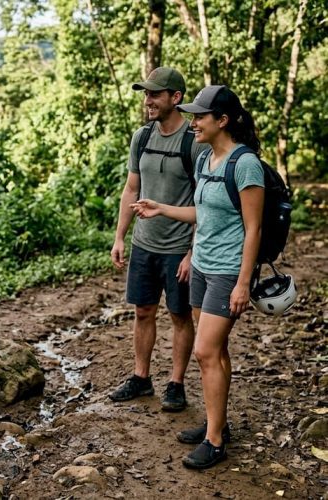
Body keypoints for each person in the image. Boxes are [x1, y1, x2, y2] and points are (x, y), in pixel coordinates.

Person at [131, 85, 264, 469]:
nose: (193, 123)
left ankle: (216, 440)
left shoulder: (246, 164)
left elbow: (253, 230)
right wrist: (161, 209)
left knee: (205, 352)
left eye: (200, 117)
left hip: (227, 272)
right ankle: (215, 422)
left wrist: (242, 283)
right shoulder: (206, 158)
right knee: (216, 352)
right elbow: (202, 215)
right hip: (203, 266)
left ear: (222, 121)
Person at [109, 68, 209, 411]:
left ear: (175, 98)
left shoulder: (193, 142)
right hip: (144, 244)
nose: (147, 101)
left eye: (154, 94)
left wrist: (192, 252)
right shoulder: (142, 137)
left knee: (180, 315)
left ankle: (176, 384)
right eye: (146, 94)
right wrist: (120, 236)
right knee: (143, 311)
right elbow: (131, 188)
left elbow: (205, 202)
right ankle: (141, 378)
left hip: (179, 249)